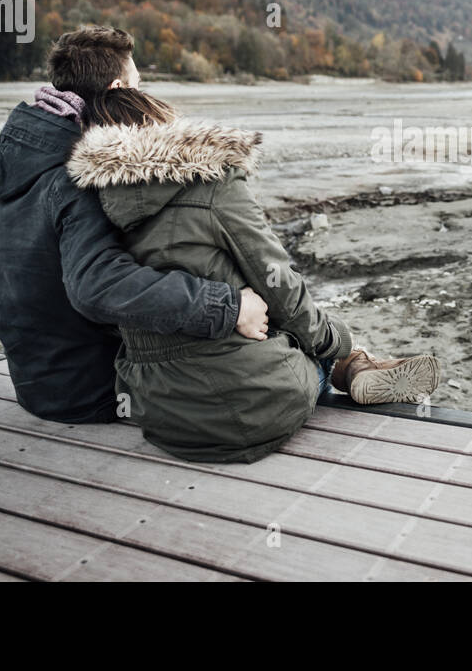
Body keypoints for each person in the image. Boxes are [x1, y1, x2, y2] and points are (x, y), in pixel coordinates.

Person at [65, 86, 443, 463]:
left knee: (250, 322)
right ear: (163, 126)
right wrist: (335, 339)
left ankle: (352, 362)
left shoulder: (91, 209)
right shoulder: (212, 182)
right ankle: (351, 363)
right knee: (305, 337)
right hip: (254, 403)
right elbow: (281, 288)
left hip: (159, 413)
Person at [0, 26, 270, 424]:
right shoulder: (75, 172)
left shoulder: (25, 159)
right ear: (119, 87)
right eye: (138, 83)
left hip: (38, 383)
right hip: (94, 390)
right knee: (253, 346)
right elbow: (97, 286)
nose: (141, 92)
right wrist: (228, 306)